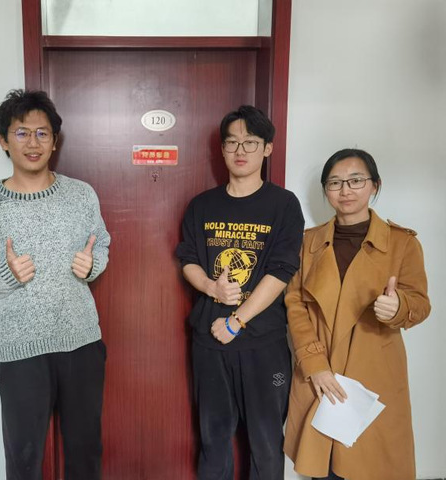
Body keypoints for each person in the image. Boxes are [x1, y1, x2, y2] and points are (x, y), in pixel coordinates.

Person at [0, 89, 110, 480]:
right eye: (22, 133)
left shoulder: (81, 194)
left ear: (55, 141)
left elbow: (101, 243)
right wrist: (7, 274)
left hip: (81, 342)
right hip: (20, 351)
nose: (33, 143)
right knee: (24, 457)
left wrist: (92, 264)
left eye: (42, 133)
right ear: (3, 140)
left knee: (85, 452)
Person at [284, 148, 431, 480]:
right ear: (326, 190)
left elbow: (420, 303)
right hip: (320, 369)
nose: (345, 190)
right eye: (335, 182)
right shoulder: (307, 243)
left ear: (375, 185)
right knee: (323, 467)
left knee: (372, 466)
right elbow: (295, 304)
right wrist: (315, 366)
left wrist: (398, 307)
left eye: (356, 180)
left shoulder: (402, 243)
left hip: (374, 373)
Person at [176, 105, 304, 480]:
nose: (240, 150)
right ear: (222, 149)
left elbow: (281, 271)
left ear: (267, 148)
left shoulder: (284, 205)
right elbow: (188, 260)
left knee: (266, 442)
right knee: (213, 440)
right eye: (232, 142)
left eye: (250, 142)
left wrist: (236, 321)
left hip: (263, 343)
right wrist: (211, 287)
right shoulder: (202, 205)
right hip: (209, 342)